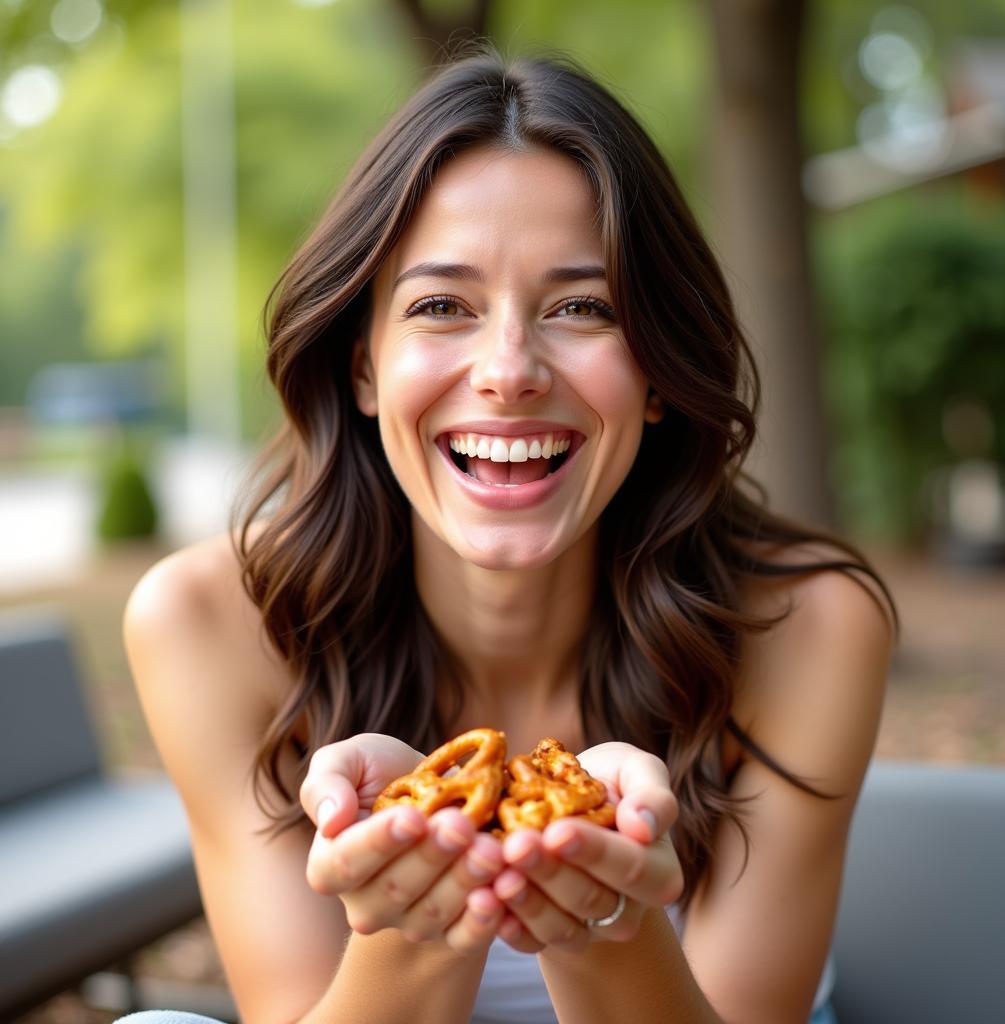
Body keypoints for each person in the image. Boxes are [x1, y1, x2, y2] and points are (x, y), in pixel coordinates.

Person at [121, 45, 895, 1024]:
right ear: (363, 367)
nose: (508, 369)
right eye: (442, 305)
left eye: (580, 306)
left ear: (657, 370)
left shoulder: (809, 624)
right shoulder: (208, 621)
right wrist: (418, 900)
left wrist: (607, 917)